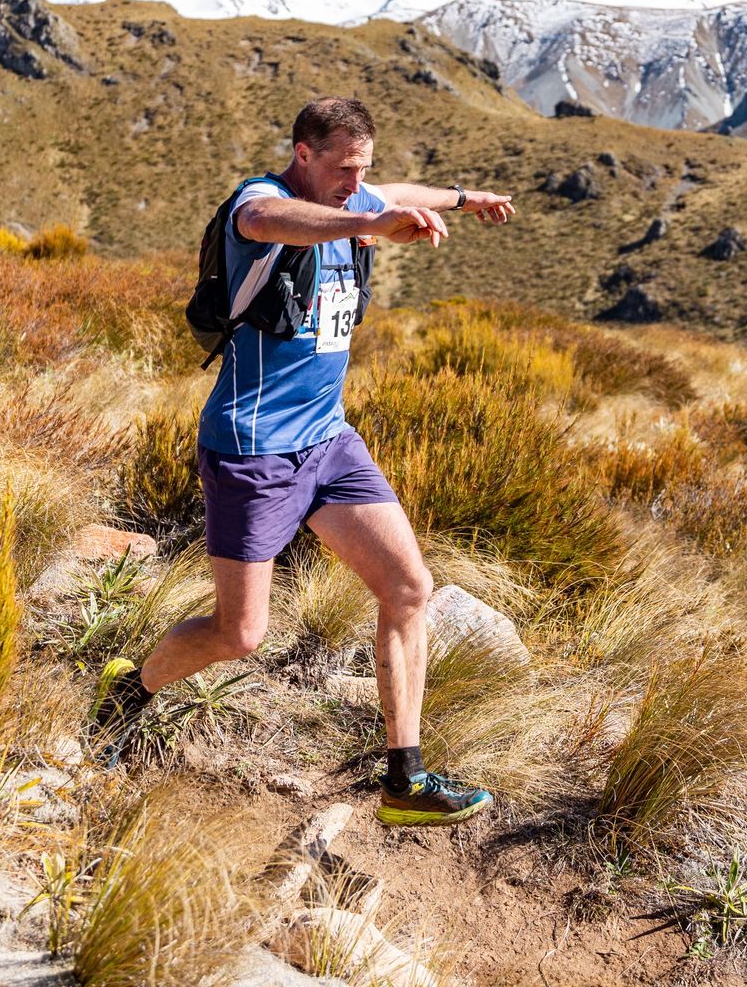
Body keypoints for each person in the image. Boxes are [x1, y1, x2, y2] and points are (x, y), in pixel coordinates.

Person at [93, 96, 516, 826]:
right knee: (240, 634)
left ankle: (404, 781)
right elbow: (266, 221)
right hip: (254, 448)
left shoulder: (357, 197)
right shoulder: (263, 203)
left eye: (364, 171)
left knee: (409, 588)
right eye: (344, 169)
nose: (357, 184)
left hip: (329, 442)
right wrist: (369, 223)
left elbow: (396, 192)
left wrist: (462, 198)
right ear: (303, 154)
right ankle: (128, 692)